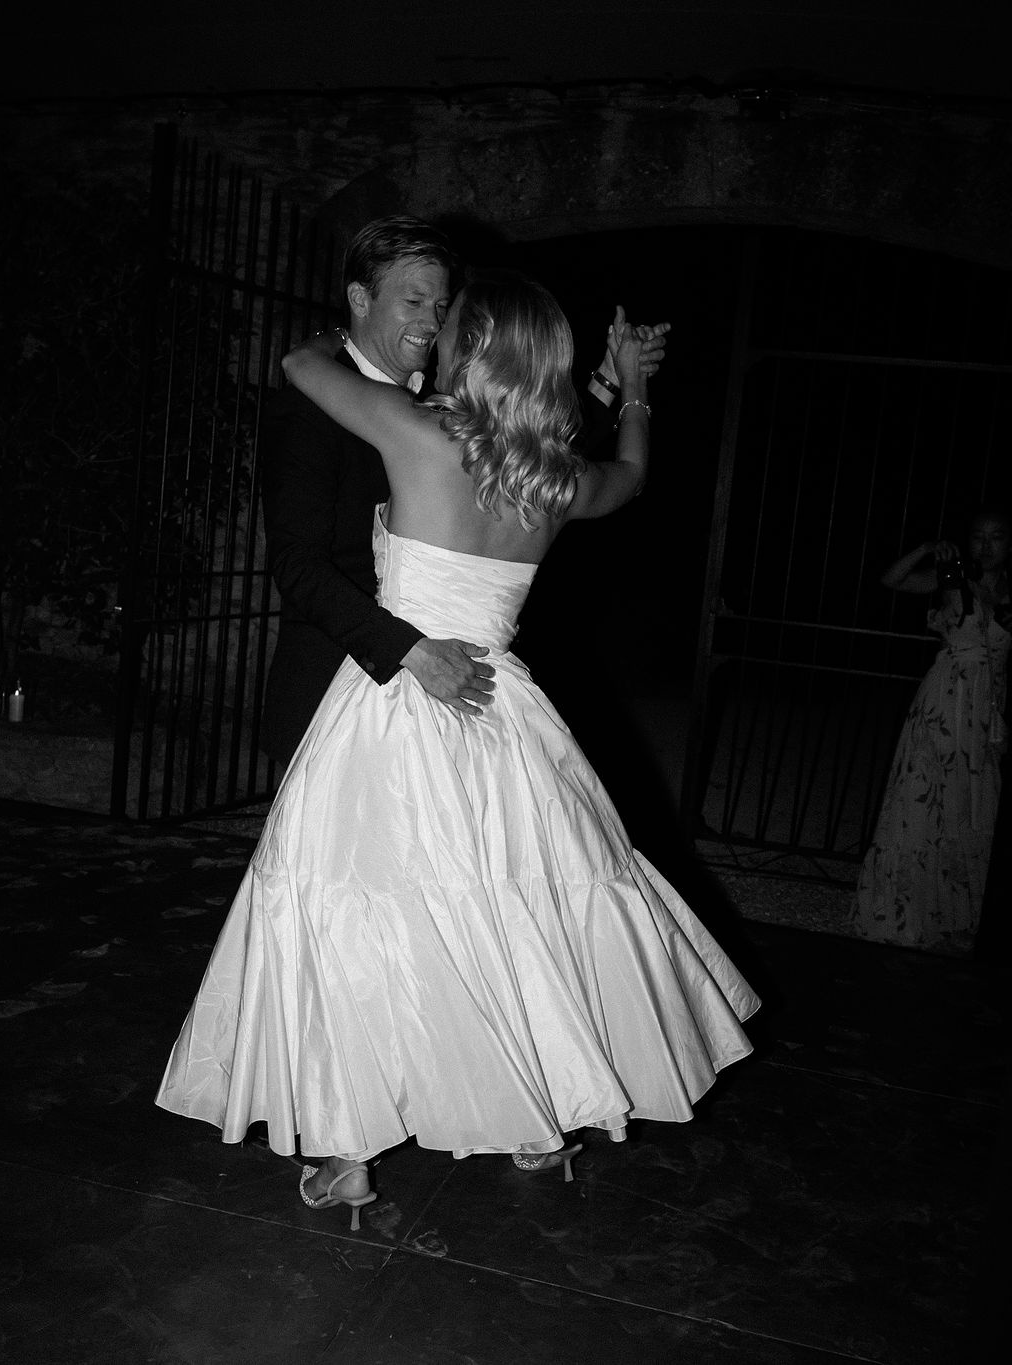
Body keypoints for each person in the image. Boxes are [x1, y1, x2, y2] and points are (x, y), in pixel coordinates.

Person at [157, 271, 759, 1226]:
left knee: (358, 916)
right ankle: (534, 1117)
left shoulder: (421, 436)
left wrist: (373, 317)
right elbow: (632, 476)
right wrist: (632, 387)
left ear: (471, 351)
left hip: (394, 703)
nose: (432, 332)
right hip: (502, 709)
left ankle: (349, 1154)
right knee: (511, 907)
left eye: (446, 327)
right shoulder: (556, 482)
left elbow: (302, 362)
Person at [260, 214, 669, 767]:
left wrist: (608, 379)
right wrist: (625, 384)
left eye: (441, 306)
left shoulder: (426, 417)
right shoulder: (312, 413)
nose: (432, 321)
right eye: (415, 301)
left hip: (462, 694)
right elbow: (298, 565)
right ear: (360, 298)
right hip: (339, 687)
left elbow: (520, 460)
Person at [851, 507, 1011, 954]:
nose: (986, 545)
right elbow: (892, 580)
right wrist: (926, 548)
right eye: (978, 536)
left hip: (987, 713)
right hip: (945, 701)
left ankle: (961, 919)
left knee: (975, 808)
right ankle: (910, 912)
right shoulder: (952, 576)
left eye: (997, 536)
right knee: (926, 802)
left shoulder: (1008, 591)